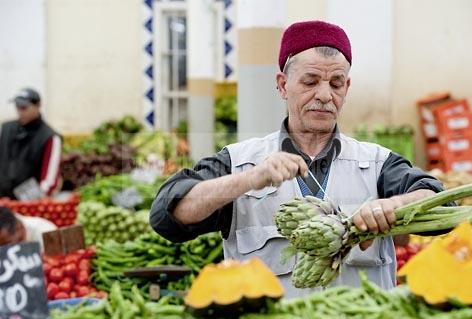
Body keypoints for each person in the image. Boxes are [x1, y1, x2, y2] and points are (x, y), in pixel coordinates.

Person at [150, 20, 445, 297]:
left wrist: (394, 205)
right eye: (310, 81)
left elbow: (442, 204)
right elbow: (168, 216)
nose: (325, 95)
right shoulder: (239, 162)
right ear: (282, 84)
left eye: (336, 83)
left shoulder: (379, 163)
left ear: (347, 88)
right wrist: (249, 179)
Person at [0, 88, 62, 198]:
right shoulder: (6, 129)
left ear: (38, 106)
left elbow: (49, 181)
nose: (20, 111)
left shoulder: (50, 137)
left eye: (24, 107)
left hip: (28, 204)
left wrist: (30, 204)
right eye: (17, 107)